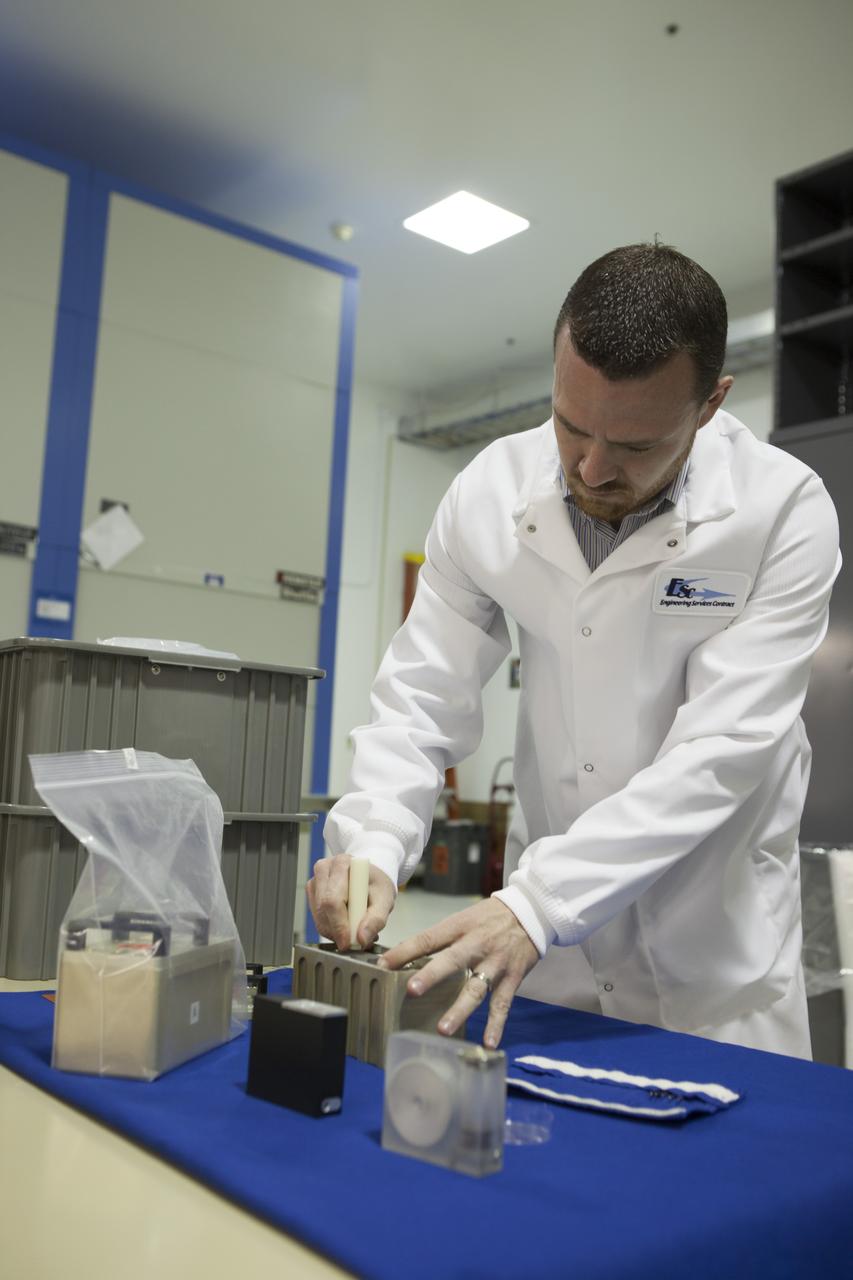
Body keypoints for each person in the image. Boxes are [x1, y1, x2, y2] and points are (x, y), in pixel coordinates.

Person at [308, 243, 841, 1059]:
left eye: (634, 446)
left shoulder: (780, 513)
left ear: (708, 406)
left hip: (715, 981)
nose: (590, 467)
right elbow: (420, 698)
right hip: (554, 973)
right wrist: (372, 845)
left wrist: (539, 901)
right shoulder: (488, 494)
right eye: (569, 425)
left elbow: (722, 751)